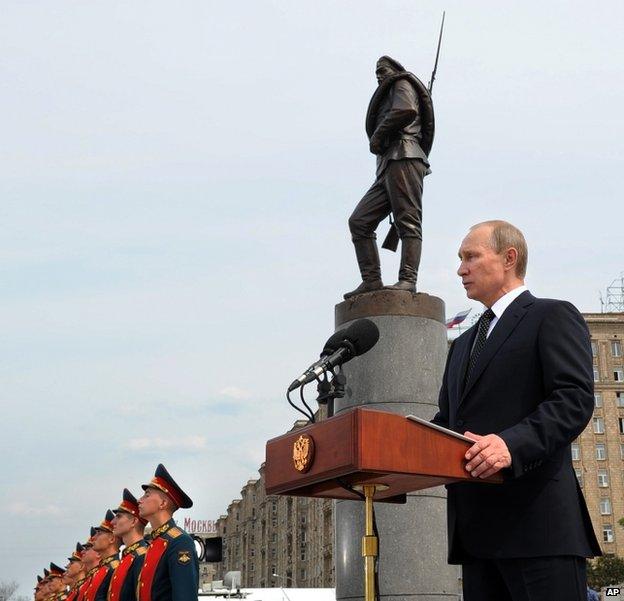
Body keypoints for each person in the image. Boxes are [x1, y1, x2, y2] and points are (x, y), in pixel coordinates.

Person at [432, 220, 601, 601]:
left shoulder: (551, 316)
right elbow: (446, 424)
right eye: (461, 259)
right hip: (476, 539)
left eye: (471, 257)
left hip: (538, 529)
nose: (461, 269)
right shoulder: (460, 347)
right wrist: (393, 448)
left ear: (509, 258)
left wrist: (510, 445)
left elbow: (573, 399)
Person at [345, 55, 433, 298]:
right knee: (359, 221)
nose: (379, 75)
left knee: (408, 222)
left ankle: (408, 280)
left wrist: (378, 136)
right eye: (376, 73)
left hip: (404, 155)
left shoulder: (400, 83)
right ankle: (371, 280)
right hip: (389, 162)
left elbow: (406, 109)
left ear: (395, 70)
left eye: (382, 70)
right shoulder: (391, 88)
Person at [137, 464, 199, 601]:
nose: (139, 500)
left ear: (163, 503)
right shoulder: (155, 543)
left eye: (147, 495)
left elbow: (185, 597)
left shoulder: (180, 542)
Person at [108, 489, 149, 601]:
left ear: (133, 522)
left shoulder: (142, 557)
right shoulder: (128, 556)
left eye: (119, 516)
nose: (112, 522)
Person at [83, 513, 120, 601]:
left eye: (99, 533)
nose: (94, 537)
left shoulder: (114, 568)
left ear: (111, 539)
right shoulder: (102, 569)